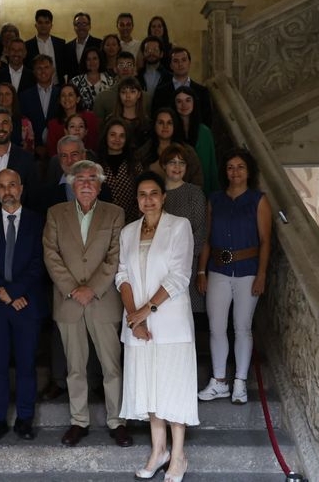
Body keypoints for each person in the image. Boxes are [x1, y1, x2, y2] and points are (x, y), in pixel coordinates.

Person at [43, 160, 133, 448]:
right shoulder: (56, 213)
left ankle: (117, 421)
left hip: (103, 301)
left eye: (91, 179)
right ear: (71, 183)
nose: (85, 183)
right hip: (69, 302)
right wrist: (73, 289)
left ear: (100, 184)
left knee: (111, 366)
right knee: (75, 367)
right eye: (79, 179)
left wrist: (91, 289)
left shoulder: (115, 213)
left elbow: (116, 256)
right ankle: (78, 421)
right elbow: (51, 254)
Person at [116, 170, 198, 482]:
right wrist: (133, 317)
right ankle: (158, 449)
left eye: (154, 193)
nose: (148, 199)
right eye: (142, 194)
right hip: (137, 323)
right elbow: (121, 275)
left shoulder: (179, 226)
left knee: (173, 387)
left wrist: (144, 311)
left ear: (163, 197)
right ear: (137, 200)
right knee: (149, 386)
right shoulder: (128, 232)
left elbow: (179, 276)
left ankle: (178, 456)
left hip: (171, 320)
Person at [0, 169, 47, 442]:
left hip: (26, 304)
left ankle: (25, 420)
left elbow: (39, 262)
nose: (7, 191)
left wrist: (15, 292)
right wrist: (3, 293)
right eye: (2, 186)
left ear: (21, 188)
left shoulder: (38, 222)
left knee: (27, 365)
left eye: (12, 185)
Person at [197, 148, 272, 405]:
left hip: (247, 271)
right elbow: (206, 239)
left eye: (240, 167)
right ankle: (219, 382)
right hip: (218, 269)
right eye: (230, 167)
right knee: (216, 327)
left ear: (248, 171)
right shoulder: (215, 199)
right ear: (224, 171)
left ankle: (239, 381)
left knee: (242, 327)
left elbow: (265, 241)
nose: (235, 172)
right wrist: (201, 271)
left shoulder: (258, 200)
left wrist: (261, 274)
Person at [159, 144, 207, 315]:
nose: (177, 167)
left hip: (187, 265)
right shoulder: (155, 193)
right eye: (172, 162)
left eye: (182, 163)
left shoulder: (195, 194)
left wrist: (179, 258)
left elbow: (200, 234)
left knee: (187, 315)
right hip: (158, 266)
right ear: (164, 165)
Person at [136, 109, 204, 188]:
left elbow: (197, 182)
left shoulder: (188, 152)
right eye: (161, 122)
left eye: (169, 123)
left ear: (174, 126)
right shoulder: (142, 153)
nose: (165, 126)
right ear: (154, 125)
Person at [174, 86, 220, 195]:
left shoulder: (205, 132)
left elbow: (211, 165)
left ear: (194, 103)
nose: (184, 105)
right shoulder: (171, 131)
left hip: (203, 190)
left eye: (188, 100)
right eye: (179, 101)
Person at [152, 47, 213, 128]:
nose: (180, 64)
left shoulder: (202, 91)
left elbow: (207, 119)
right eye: (176, 61)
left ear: (189, 63)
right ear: (170, 65)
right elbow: (156, 117)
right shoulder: (160, 91)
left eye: (184, 60)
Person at [98, 118, 143, 223]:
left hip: (132, 221)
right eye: (113, 135)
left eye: (122, 136)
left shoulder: (135, 164)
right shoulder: (97, 165)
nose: (117, 139)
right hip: (103, 222)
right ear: (106, 136)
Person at [93, 52, 151, 123]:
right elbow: (98, 128)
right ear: (115, 69)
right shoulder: (102, 97)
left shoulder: (147, 98)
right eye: (121, 65)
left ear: (135, 68)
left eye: (129, 65)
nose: (125, 68)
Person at [19, 54, 60, 153]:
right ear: (34, 72)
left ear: (53, 70)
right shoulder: (24, 96)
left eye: (46, 67)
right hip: (32, 150)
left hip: (58, 148)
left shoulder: (62, 94)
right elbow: (23, 123)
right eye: (39, 68)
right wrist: (35, 145)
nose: (43, 71)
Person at [45, 83, 100, 157]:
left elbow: (95, 144)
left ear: (78, 99)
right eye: (63, 95)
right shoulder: (53, 124)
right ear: (59, 100)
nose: (66, 98)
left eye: (70, 95)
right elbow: (53, 152)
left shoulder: (90, 118)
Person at [25, 8, 65, 83]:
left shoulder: (60, 44)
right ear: (36, 25)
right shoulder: (27, 45)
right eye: (40, 22)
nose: (43, 26)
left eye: (47, 22)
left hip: (57, 86)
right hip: (35, 86)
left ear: (51, 25)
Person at [70, 47, 115, 112]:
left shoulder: (111, 82)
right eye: (88, 59)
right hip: (82, 120)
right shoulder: (75, 82)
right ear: (84, 62)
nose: (92, 62)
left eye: (95, 58)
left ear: (100, 60)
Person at [0, 82, 35, 153]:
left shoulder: (25, 122)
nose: (4, 97)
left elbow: (31, 147)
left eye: (7, 94)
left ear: (13, 96)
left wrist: (27, 147)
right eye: (0, 94)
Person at [111, 76, 151, 146]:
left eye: (132, 92)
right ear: (119, 95)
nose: (128, 96)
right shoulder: (111, 120)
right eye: (123, 92)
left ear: (139, 94)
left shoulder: (147, 123)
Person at [64, 12, 102, 80]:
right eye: (78, 24)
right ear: (74, 27)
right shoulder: (67, 47)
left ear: (90, 26)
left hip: (93, 83)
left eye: (84, 23)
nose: (81, 27)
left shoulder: (99, 44)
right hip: (73, 86)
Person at [137, 36, 172, 104]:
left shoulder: (169, 77)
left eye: (155, 50)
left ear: (161, 54)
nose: (151, 53)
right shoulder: (137, 76)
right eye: (147, 50)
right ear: (143, 53)